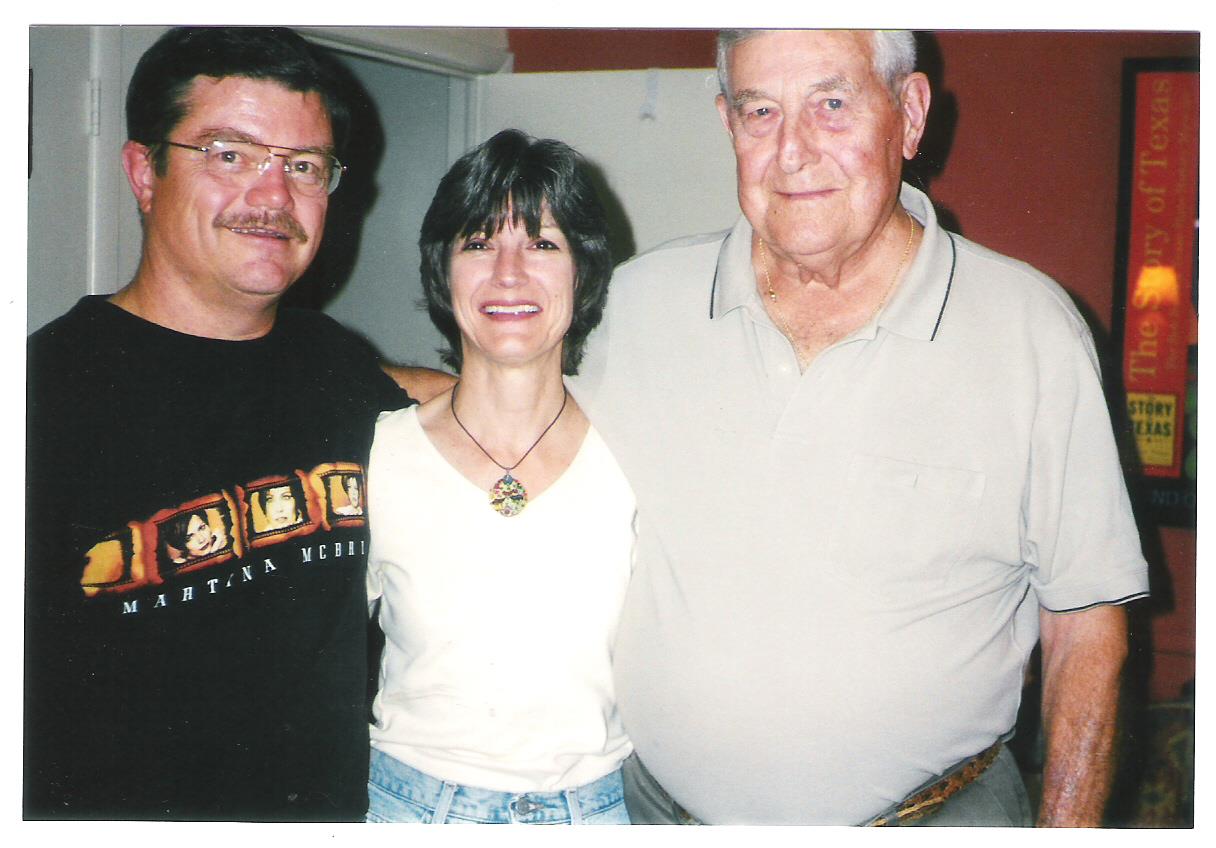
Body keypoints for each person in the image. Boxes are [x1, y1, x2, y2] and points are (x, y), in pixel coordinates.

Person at [563, 29, 1151, 826]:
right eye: (761, 112)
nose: (793, 152)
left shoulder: (1032, 332)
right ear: (727, 123)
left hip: (936, 819)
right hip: (654, 816)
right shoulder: (635, 306)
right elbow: (503, 416)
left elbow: (1087, 629)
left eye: (832, 104)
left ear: (910, 114)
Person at [25, 26, 414, 820]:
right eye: (231, 154)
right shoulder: (40, 400)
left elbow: (445, 406)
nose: (273, 198)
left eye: (304, 166)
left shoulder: (335, 364)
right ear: (144, 172)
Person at [365, 129, 634, 824]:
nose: (508, 274)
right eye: (479, 243)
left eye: (542, 243)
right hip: (408, 809)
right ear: (443, 269)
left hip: (599, 811)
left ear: (583, 272)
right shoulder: (378, 454)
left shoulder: (639, 454)